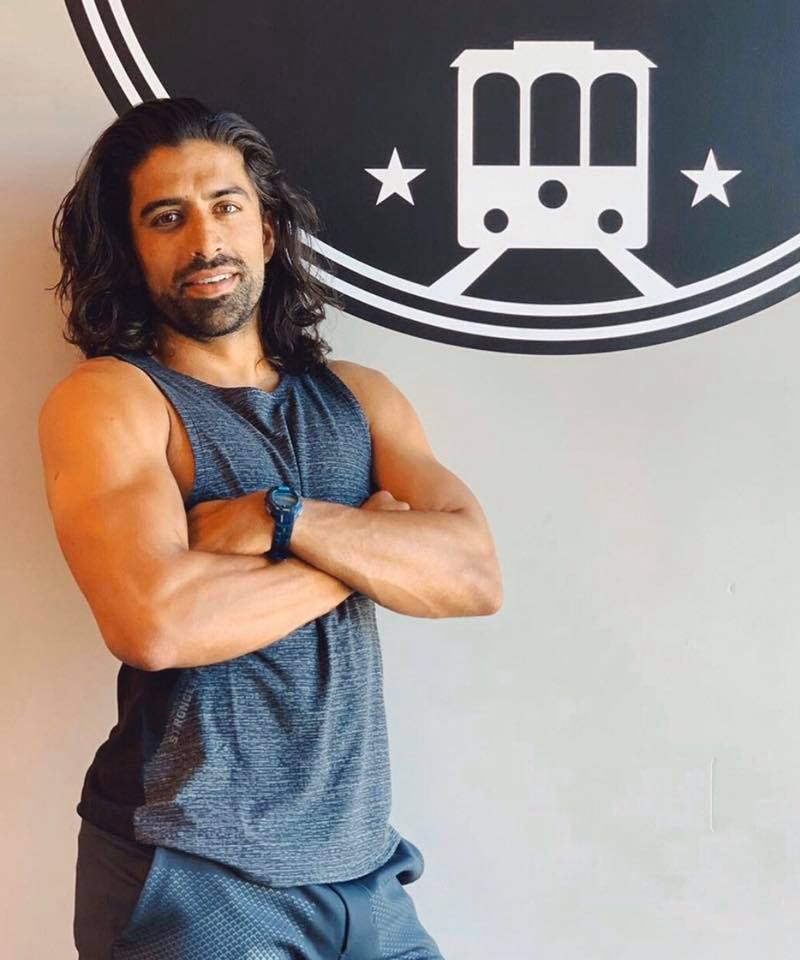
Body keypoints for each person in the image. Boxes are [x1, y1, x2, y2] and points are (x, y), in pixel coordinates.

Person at [38, 98, 503, 960]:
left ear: (267, 227)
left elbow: (474, 575)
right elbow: (155, 623)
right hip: (192, 870)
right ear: (129, 248)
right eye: (166, 218)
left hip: (365, 869)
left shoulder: (359, 396)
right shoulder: (111, 399)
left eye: (226, 206)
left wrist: (280, 517)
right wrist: (365, 550)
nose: (204, 241)